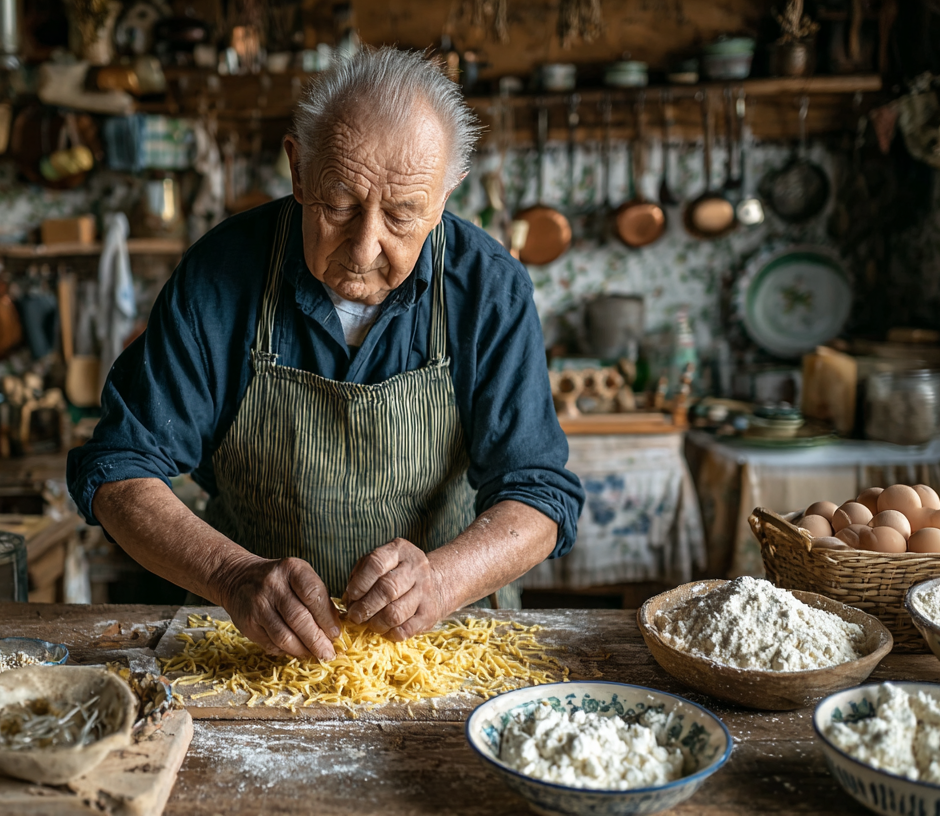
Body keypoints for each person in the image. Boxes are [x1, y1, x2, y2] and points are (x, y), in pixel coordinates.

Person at [67, 47, 585, 663]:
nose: (365, 248)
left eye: (402, 215)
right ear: (298, 168)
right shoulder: (220, 274)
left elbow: (539, 495)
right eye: (339, 205)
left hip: (441, 641)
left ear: (445, 197)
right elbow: (120, 470)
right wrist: (230, 575)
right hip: (249, 642)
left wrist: (443, 581)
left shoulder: (488, 287)